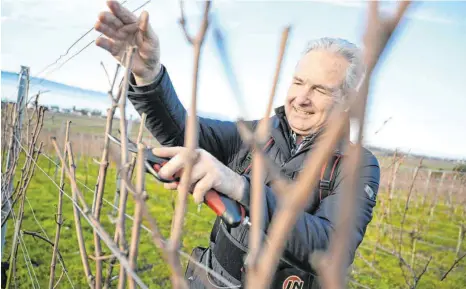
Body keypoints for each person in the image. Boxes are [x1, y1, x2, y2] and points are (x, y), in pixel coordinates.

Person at [95, 2, 380, 289]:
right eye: (298, 82)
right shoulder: (259, 134)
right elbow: (183, 133)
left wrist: (241, 187)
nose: (301, 98)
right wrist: (148, 73)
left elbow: (331, 250)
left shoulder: (357, 165)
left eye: (319, 90)